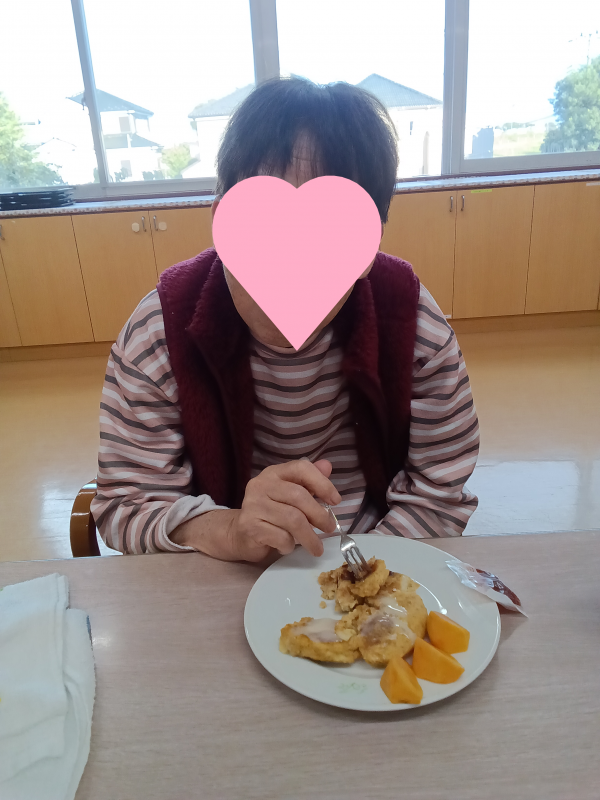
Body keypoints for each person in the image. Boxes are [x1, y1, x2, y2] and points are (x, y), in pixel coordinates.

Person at [91, 76, 480, 562]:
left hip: (375, 550)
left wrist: (355, 575)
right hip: (223, 566)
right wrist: (229, 530)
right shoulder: (159, 332)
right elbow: (126, 504)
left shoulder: (413, 324)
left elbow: (439, 492)